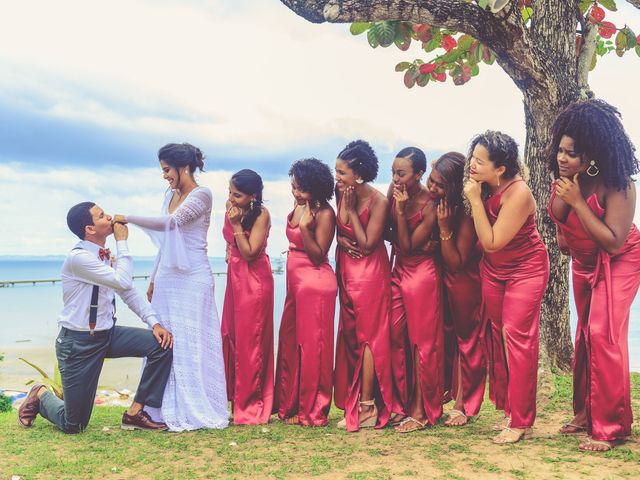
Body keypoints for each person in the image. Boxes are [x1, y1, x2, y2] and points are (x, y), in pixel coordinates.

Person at [18, 202, 173, 433]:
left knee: (160, 346)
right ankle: (40, 395)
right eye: (102, 216)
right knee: (74, 425)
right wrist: (122, 242)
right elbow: (123, 280)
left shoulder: (103, 258)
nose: (110, 217)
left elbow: (127, 292)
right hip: (78, 343)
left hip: (107, 335)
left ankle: (135, 413)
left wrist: (155, 323)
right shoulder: (78, 259)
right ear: (90, 229)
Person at [547, 99, 640, 452]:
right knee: (585, 335)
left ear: (593, 155)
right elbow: (558, 220)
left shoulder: (619, 185)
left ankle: (612, 427)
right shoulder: (566, 180)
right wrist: (564, 234)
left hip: (621, 260)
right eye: (561, 150)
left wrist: (578, 203)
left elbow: (615, 243)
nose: (562, 157)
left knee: (603, 333)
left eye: (572, 153)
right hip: (584, 263)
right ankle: (586, 414)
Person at [115, 143, 228, 431]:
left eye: (167, 170)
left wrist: (128, 217)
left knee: (190, 342)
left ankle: (194, 404)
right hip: (167, 278)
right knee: (165, 341)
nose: (164, 175)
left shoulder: (202, 194)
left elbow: (171, 224)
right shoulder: (170, 195)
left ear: (184, 167)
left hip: (193, 278)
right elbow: (165, 245)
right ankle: (156, 407)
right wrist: (153, 277)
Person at [463, 131, 549, 444]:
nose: (472, 165)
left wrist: (473, 200)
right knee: (498, 337)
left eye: (480, 162)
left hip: (526, 270)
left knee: (517, 337)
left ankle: (522, 420)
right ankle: (509, 407)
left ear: (500, 169)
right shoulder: (483, 187)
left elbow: (492, 242)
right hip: (493, 272)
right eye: (472, 158)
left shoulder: (519, 192)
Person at [333, 140, 393, 431]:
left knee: (370, 337)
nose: (337, 177)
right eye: (336, 171)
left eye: (342, 172)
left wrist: (351, 210)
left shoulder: (379, 201)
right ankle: (353, 398)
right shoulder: (340, 192)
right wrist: (341, 240)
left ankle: (368, 405)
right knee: (352, 335)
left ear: (357, 174)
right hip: (345, 268)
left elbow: (369, 244)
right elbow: (338, 230)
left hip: (370, 273)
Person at [274, 158, 338, 426]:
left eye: (301, 189)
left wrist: (303, 229)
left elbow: (317, 255)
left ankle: (312, 410)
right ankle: (290, 405)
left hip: (315, 283)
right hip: (296, 285)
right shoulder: (300, 204)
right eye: (293, 187)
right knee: (290, 343)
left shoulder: (325, 213)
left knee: (313, 350)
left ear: (316, 188)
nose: (296, 193)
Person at [386, 147, 444, 433]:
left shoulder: (430, 204)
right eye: (393, 172)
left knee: (423, 343)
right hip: (399, 270)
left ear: (419, 174)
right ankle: (401, 404)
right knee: (396, 336)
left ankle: (422, 410)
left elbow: (407, 245)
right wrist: (396, 213)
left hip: (422, 274)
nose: (395, 178)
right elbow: (387, 232)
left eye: (401, 173)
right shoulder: (393, 191)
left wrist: (400, 211)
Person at [432, 152, 486, 426]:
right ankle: (445, 392)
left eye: (439, 185)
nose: (432, 189)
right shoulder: (440, 203)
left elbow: (456, 262)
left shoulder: (465, 214)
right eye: (431, 182)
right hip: (442, 279)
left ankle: (465, 403)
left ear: (453, 186)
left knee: (468, 340)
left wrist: (443, 229)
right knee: (446, 338)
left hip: (465, 280)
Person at [221, 169, 274, 425]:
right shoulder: (231, 208)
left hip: (254, 282)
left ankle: (251, 403)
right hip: (234, 281)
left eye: (238, 195)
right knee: (231, 336)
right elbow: (229, 244)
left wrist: (236, 226)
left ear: (252, 196)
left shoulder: (261, 215)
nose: (232, 198)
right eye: (230, 192)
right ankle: (233, 399)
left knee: (250, 341)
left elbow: (250, 252)